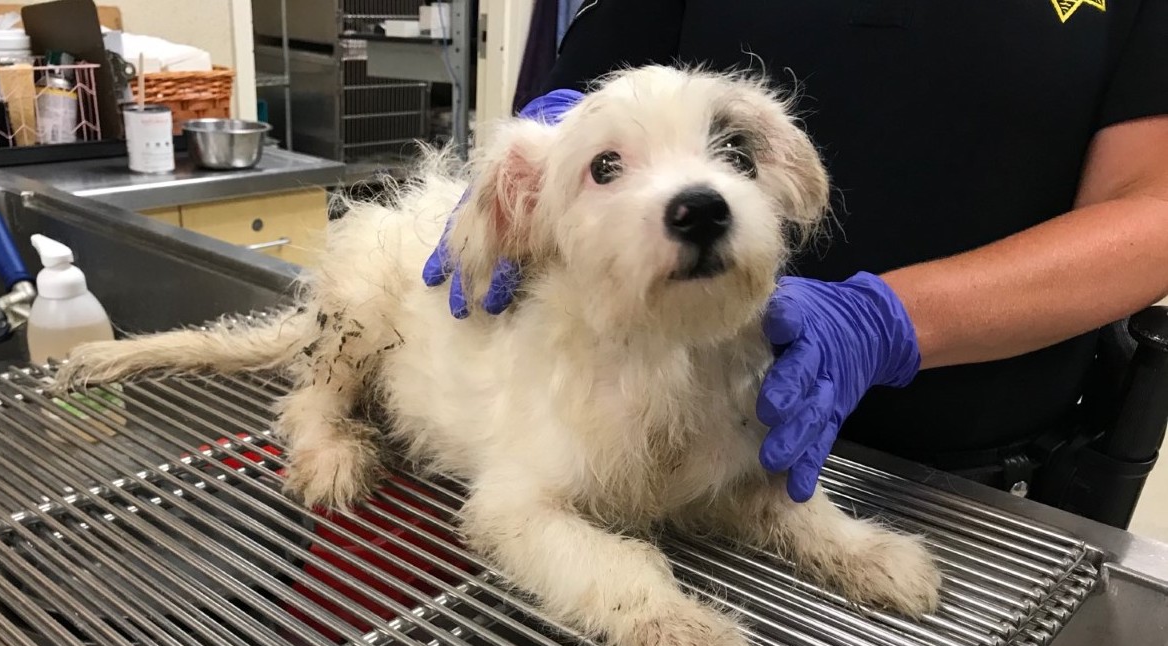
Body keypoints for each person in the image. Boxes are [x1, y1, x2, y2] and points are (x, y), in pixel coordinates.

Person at [423, 0, 1168, 507]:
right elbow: (592, 85)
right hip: (665, 419)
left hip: (982, 483)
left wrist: (886, 320)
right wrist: (547, 157)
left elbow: (1152, 207)